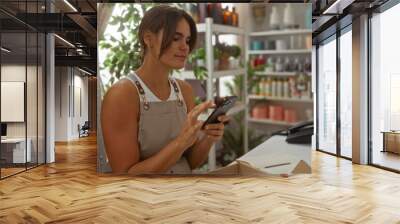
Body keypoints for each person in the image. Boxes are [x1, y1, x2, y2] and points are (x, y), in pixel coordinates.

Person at [101, 5, 229, 175]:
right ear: (148, 39)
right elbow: (125, 175)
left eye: (187, 40)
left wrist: (208, 138)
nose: (185, 47)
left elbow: (190, 163)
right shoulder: (122, 95)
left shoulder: (184, 90)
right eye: (176, 38)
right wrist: (181, 142)